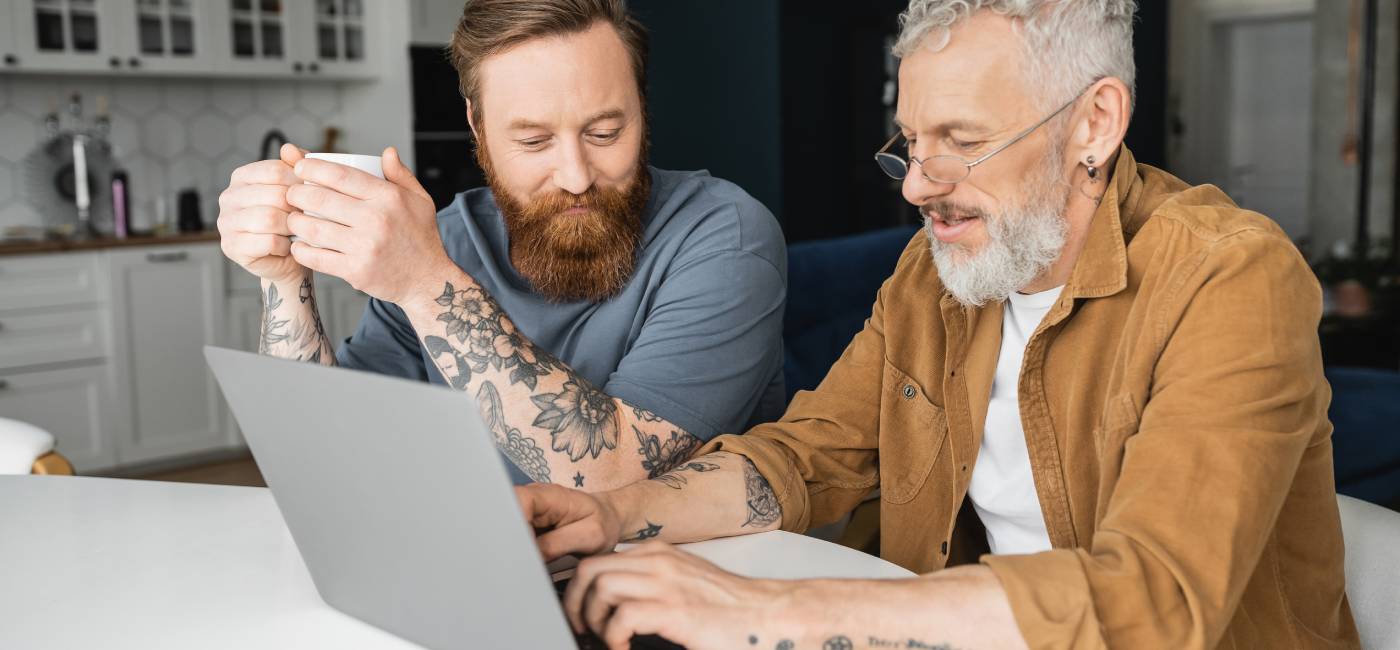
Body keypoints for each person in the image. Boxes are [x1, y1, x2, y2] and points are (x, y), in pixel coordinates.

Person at [516, 1, 1360, 648]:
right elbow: (809, 455)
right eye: (911, 141)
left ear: (1094, 123)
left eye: (959, 141)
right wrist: (621, 516)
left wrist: (773, 609)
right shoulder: (936, 272)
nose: (917, 185)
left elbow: (1156, 599)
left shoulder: (1229, 274)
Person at [215, 0, 787, 491]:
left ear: (642, 107)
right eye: (534, 140)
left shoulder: (725, 235)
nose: (575, 175)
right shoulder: (448, 241)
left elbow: (612, 479)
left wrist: (425, 283)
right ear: (477, 123)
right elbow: (321, 462)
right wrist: (285, 282)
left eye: (605, 133)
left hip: (680, 587)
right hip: (496, 574)